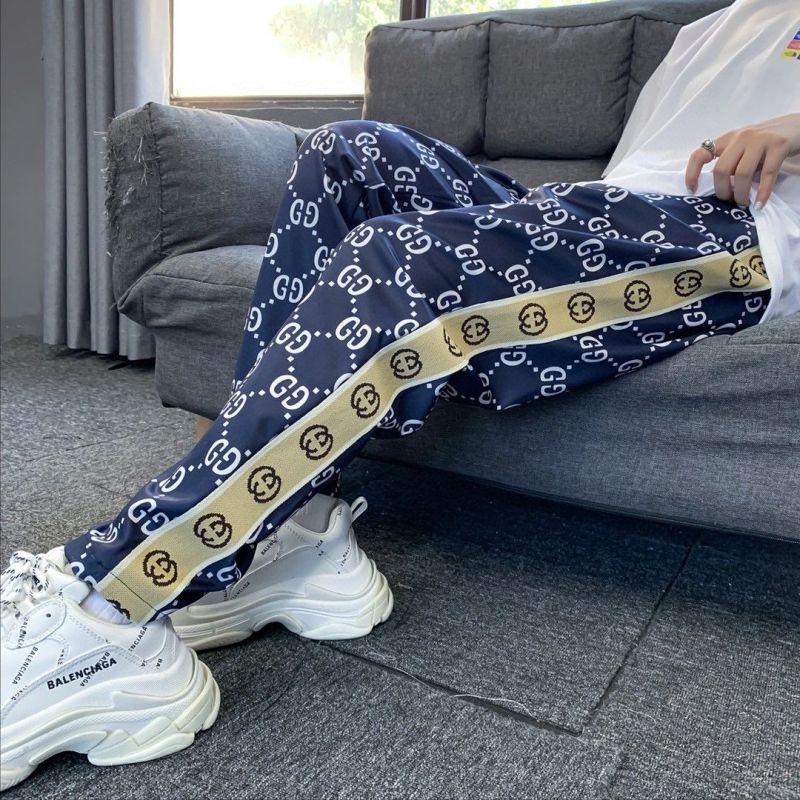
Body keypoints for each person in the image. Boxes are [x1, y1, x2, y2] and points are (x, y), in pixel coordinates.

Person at [1, 0, 798, 790]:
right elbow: (634, 175)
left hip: (734, 236)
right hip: (606, 215)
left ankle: (110, 603)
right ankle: (295, 528)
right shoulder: (711, 28)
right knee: (346, 152)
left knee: (395, 259)